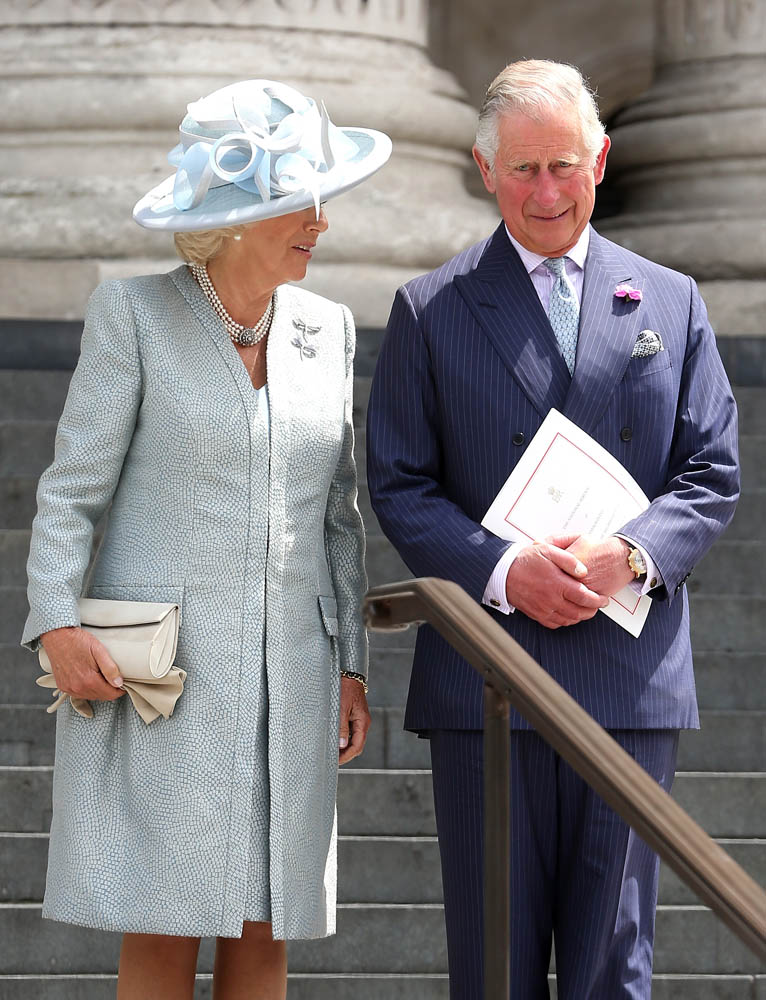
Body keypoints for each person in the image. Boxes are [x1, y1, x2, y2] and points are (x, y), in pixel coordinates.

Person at [366, 59, 739, 998]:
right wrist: (500, 572)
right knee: (493, 966)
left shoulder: (672, 300)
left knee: (614, 967)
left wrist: (631, 554)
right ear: (484, 169)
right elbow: (401, 484)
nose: (546, 192)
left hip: (628, 678)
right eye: (524, 169)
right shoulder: (430, 309)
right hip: (488, 678)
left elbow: (711, 471)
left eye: (564, 166)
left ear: (600, 161)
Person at [22, 79, 391, 1000]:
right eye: (299, 204)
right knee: (164, 919)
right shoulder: (134, 315)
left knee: (267, 920)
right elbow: (72, 492)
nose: (320, 222)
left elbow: (337, 514)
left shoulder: (328, 329)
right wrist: (56, 623)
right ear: (233, 221)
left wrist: (351, 664)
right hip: (168, 676)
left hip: (292, 677)